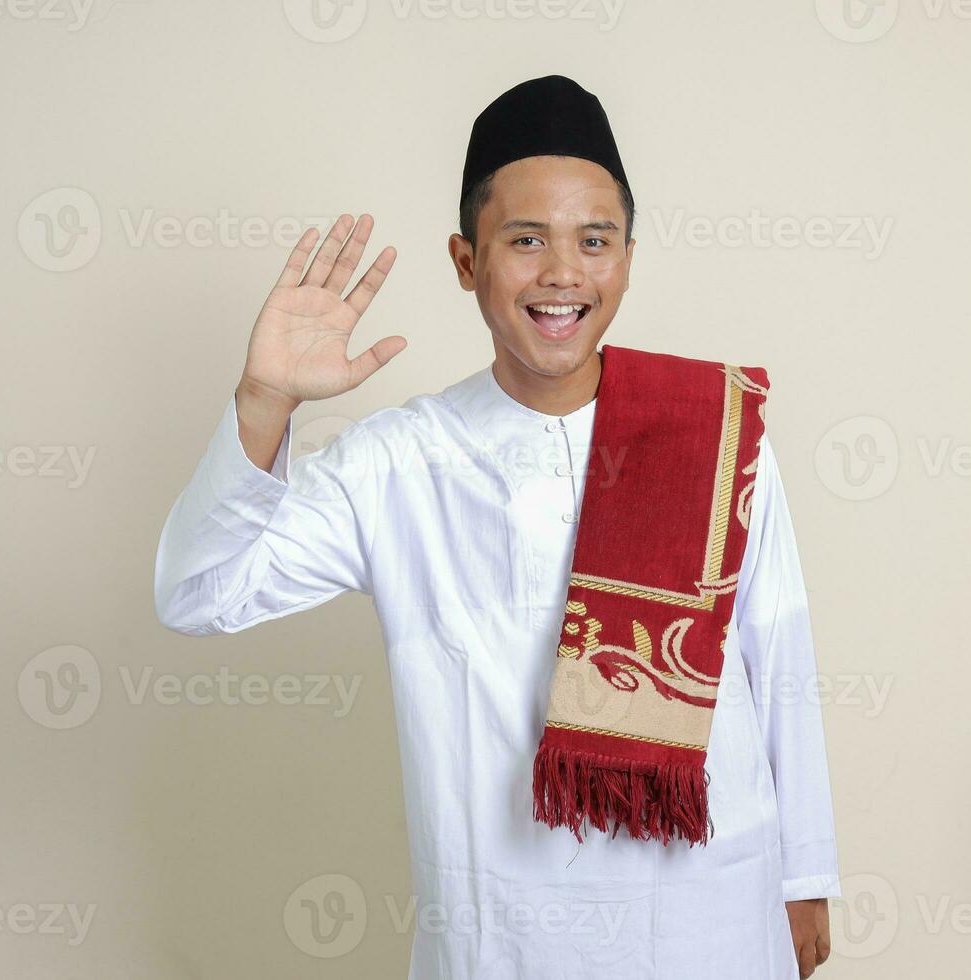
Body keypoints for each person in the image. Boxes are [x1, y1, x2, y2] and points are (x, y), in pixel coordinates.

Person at [153, 75, 841, 980]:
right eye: (526, 240)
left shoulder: (709, 430)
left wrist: (806, 875)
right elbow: (200, 594)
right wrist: (264, 399)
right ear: (466, 260)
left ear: (627, 255)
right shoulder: (397, 461)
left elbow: (776, 649)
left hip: (710, 910)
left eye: (594, 241)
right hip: (504, 933)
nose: (563, 272)